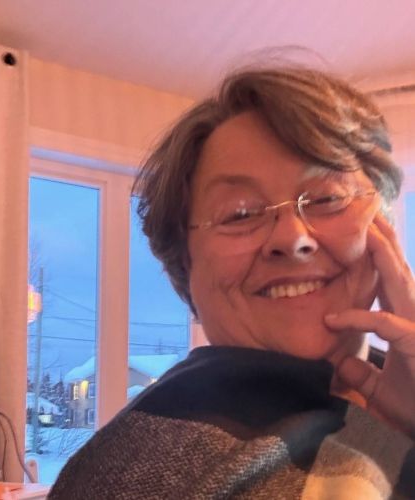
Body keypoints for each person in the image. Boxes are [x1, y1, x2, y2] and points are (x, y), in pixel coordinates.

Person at [49, 66, 415, 499]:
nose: (292, 238)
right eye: (239, 214)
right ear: (185, 262)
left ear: (384, 222)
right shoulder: (129, 477)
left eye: (326, 198)